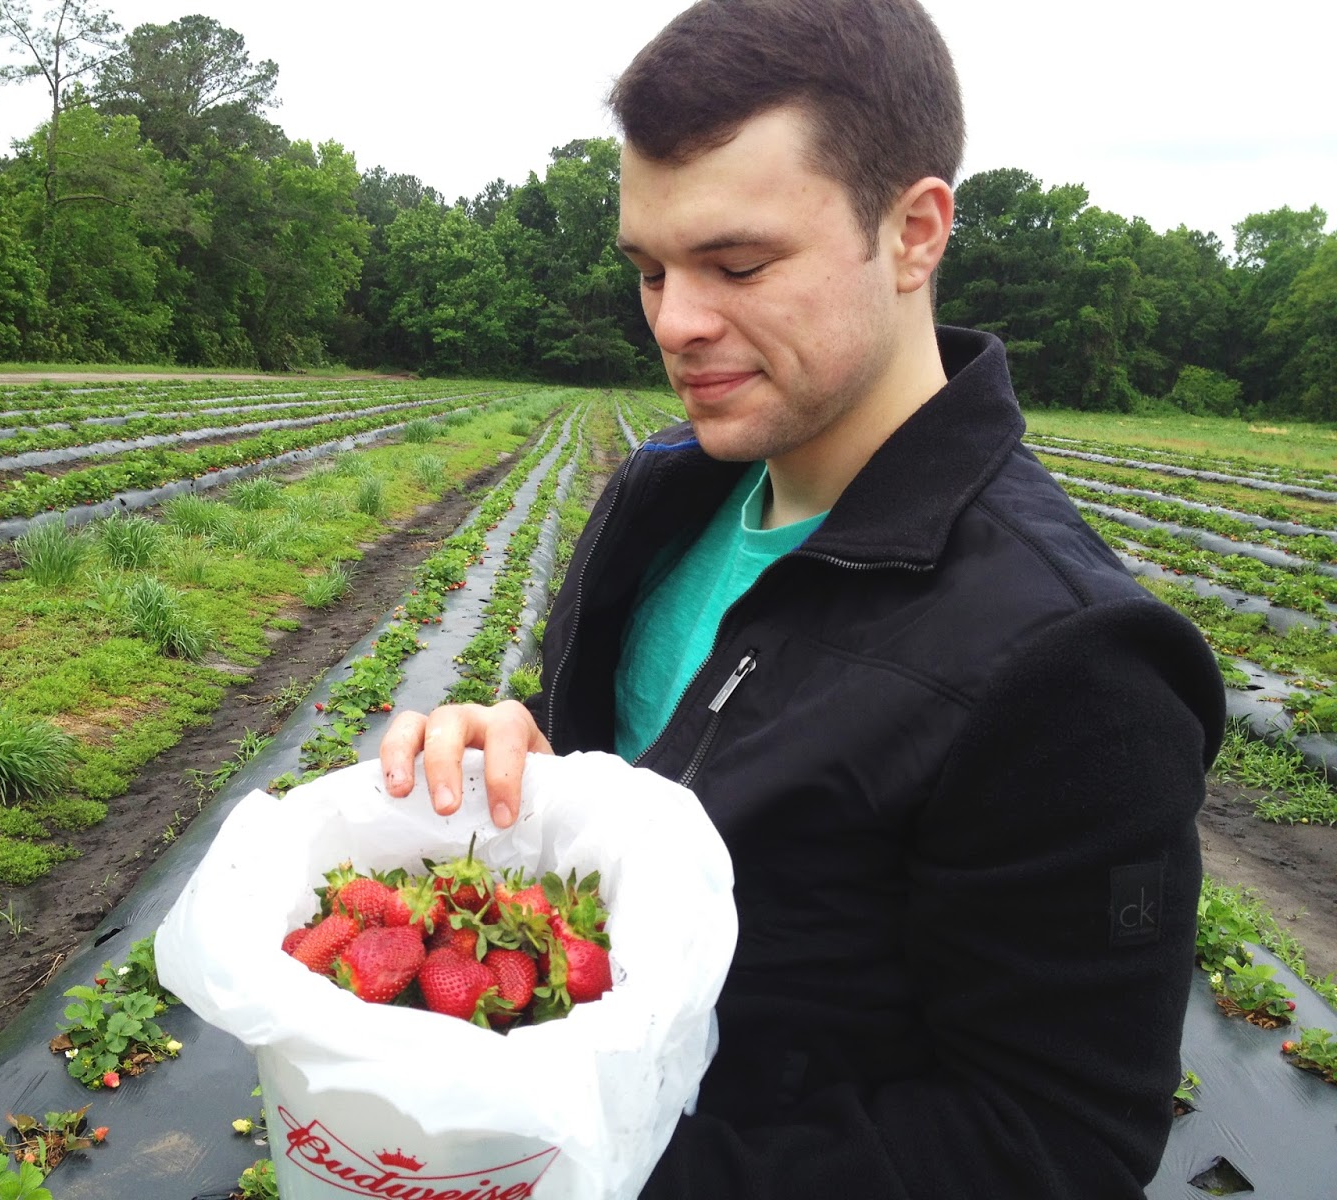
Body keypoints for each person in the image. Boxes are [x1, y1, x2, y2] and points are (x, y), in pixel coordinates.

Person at [380, 0, 1224, 1195]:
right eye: (651, 270)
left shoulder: (1067, 662)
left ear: (914, 233)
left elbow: (1050, 1146)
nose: (675, 321)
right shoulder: (663, 499)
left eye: (737, 263)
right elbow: (634, 794)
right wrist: (530, 777)